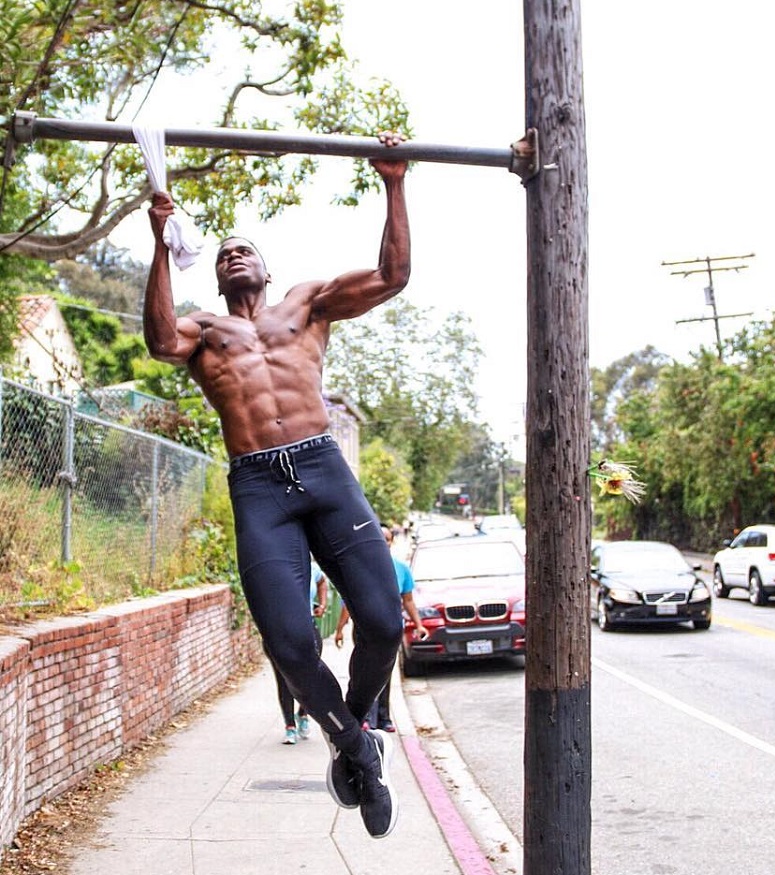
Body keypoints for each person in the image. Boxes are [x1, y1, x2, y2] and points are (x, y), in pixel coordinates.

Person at [143, 132, 409, 840]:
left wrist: (393, 182)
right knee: (290, 644)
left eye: (245, 245)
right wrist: (159, 245)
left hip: (323, 467)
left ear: (265, 263)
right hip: (259, 485)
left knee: (384, 622)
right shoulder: (203, 330)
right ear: (214, 272)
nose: (234, 252)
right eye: (222, 249)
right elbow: (159, 337)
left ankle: (353, 721)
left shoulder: (308, 304)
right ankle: (356, 747)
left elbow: (392, 275)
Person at [335, 525, 427, 732]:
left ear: (391, 542)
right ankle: (364, 716)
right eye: (379, 538)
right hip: (364, 629)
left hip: (390, 629)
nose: (383, 543)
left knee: (385, 673)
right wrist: (340, 628)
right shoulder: (359, 568)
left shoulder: (401, 568)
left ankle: (384, 718)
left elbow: (409, 601)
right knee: (363, 672)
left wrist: (419, 625)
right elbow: (348, 602)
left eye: (386, 539)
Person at [268, 562, 327, 744]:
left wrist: (322, 604)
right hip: (281, 629)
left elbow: (322, 581)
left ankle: (303, 713)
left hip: (307, 626)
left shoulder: (312, 568)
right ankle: (290, 726)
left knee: (310, 676)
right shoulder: (274, 569)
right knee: (283, 678)